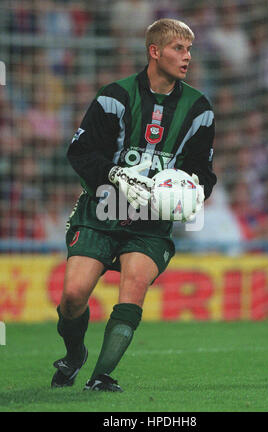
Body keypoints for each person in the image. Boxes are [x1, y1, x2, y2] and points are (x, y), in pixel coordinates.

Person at [51, 18, 217, 392]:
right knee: (73, 296)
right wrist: (115, 175)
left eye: (189, 49)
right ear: (154, 51)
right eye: (179, 48)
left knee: (135, 286)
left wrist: (193, 191)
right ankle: (74, 355)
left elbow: (202, 172)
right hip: (100, 213)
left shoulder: (199, 108)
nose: (187, 56)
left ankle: (100, 378)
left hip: (150, 223)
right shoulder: (114, 96)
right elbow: (80, 152)